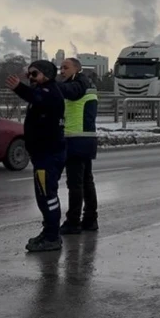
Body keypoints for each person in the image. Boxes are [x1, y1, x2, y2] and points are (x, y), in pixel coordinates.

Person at [6, 60, 67, 252]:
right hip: (42, 154)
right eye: (28, 74)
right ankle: (49, 232)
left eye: (34, 74)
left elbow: (35, 96)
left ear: (46, 75)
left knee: (47, 196)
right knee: (44, 195)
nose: (30, 78)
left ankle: (52, 237)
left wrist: (18, 87)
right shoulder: (43, 92)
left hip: (48, 155)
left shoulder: (50, 92)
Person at [57, 58, 99, 234]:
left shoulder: (78, 84)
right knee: (86, 182)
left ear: (77, 69)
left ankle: (73, 222)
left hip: (76, 140)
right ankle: (90, 220)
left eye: (65, 67)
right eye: (60, 68)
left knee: (75, 184)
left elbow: (70, 92)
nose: (62, 71)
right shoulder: (84, 83)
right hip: (84, 139)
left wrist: (51, 83)